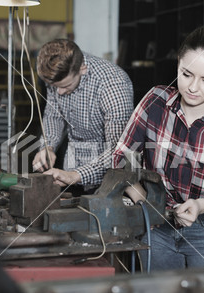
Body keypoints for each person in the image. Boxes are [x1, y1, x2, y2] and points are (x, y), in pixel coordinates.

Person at [112, 26, 204, 271]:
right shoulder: (155, 101)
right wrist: (145, 201)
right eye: (186, 74)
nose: (193, 87)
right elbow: (123, 156)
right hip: (156, 228)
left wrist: (201, 206)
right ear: (178, 65)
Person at [32, 39, 134, 193]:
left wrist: (75, 175)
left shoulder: (113, 84)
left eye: (66, 86)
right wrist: (48, 146)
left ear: (82, 69)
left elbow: (118, 151)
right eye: (54, 87)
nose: (58, 92)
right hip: (70, 171)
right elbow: (54, 114)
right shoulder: (58, 75)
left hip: (109, 180)